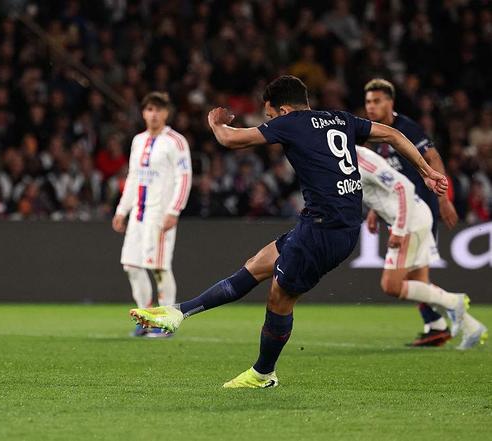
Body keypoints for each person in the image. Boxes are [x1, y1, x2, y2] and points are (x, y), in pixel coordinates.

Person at [130, 75, 447, 388]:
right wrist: (427, 170)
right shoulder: (340, 118)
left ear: (282, 110)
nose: (271, 122)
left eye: (270, 115)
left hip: (324, 231)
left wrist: (215, 122)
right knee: (256, 265)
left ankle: (263, 373)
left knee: (279, 298)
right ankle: (178, 312)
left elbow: (229, 139)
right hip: (327, 224)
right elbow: (392, 134)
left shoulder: (292, 123)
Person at [356, 146, 486, 349]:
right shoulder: (351, 157)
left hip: (410, 221)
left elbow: (404, 188)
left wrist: (399, 230)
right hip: (415, 216)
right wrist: (375, 211)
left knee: (391, 285)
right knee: (419, 285)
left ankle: (454, 301)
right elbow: (381, 188)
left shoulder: (360, 158)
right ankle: (471, 327)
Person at [364, 79, 459, 346]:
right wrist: (374, 210)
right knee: (414, 275)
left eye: (377, 101)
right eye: (368, 101)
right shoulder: (375, 134)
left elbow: (433, 158)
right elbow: (381, 178)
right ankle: (436, 325)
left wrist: (444, 199)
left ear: (390, 102)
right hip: (400, 213)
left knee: (405, 276)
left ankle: (451, 311)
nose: (371, 107)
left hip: (420, 209)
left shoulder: (406, 128)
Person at [112, 92, 192, 338]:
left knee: (159, 267)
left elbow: (184, 178)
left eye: (158, 109)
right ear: (143, 113)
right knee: (131, 266)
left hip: (160, 214)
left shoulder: (175, 141)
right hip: (138, 214)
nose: (154, 114)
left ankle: (166, 321)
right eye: (149, 109)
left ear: (166, 113)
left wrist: (174, 210)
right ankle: (146, 318)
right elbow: (133, 177)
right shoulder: (138, 141)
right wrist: (122, 210)